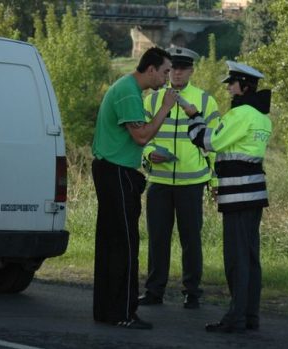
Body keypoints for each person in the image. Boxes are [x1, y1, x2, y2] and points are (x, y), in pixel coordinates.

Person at [92, 47, 197, 330]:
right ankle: (124, 312)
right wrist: (165, 107)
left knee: (111, 243)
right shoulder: (129, 93)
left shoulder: (128, 89)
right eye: (164, 72)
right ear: (150, 69)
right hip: (117, 173)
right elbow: (140, 136)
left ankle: (106, 310)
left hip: (111, 170)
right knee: (125, 245)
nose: (167, 79)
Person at [186, 60, 272, 333]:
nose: (229, 89)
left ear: (244, 86)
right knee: (250, 258)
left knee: (236, 259)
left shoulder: (241, 114)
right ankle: (250, 316)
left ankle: (234, 319)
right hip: (254, 191)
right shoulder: (262, 117)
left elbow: (209, 141)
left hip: (238, 194)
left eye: (232, 84)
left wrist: (193, 116)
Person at [138, 47, 220, 310]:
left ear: (191, 70)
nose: (177, 72)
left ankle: (192, 292)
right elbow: (139, 138)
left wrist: (215, 182)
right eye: (173, 67)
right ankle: (154, 291)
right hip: (159, 182)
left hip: (192, 184)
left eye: (183, 68)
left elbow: (216, 145)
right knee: (157, 239)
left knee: (191, 241)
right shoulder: (151, 100)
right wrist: (150, 155)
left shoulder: (205, 101)